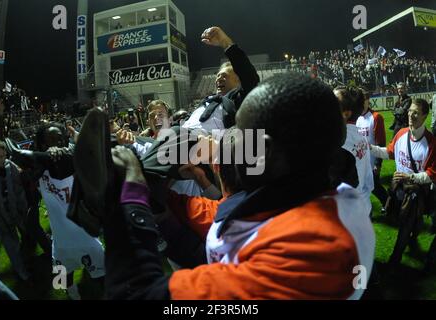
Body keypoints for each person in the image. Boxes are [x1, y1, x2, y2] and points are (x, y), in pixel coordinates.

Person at [102, 73, 375, 300]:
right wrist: (159, 198)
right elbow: (228, 216)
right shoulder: (317, 190)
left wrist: (128, 202)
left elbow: (137, 295)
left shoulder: (313, 252)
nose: (230, 142)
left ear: (263, 151)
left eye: (241, 133)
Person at [9, 123, 106, 299]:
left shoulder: (76, 160)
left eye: (60, 140)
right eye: (50, 141)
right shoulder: (40, 170)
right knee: (62, 282)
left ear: (66, 141)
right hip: (60, 243)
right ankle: (73, 294)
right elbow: (17, 159)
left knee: (103, 280)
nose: (55, 145)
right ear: (42, 145)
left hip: (87, 238)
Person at [370, 99, 436, 265]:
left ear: (425, 116)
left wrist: (410, 177)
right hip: (398, 189)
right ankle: (414, 233)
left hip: (417, 193)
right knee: (405, 221)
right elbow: (389, 152)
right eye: (410, 111)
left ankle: (395, 258)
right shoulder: (401, 134)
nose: (411, 115)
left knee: (405, 225)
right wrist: (369, 148)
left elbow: (431, 175)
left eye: (416, 112)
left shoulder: (431, 142)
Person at [181, 26, 259, 135]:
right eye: (217, 76)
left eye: (224, 76)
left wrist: (225, 42)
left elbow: (248, 75)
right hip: (179, 138)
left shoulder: (239, 100)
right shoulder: (207, 101)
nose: (219, 79)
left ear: (238, 80)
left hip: (206, 145)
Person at [0, 140, 30, 281]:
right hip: (2, 216)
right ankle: (22, 272)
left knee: (26, 236)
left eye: (5, 155)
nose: (4, 158)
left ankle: (28, 261)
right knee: (12, 246)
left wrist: (23, 207)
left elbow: (19, 188)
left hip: (16, 211)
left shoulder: (10, 165)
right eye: (0, 156)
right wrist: (0, 223)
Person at [334, 86, 374, 215]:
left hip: (347, 214)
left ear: (346, 114)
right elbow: (369, 181)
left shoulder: (341, 143)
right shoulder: (361, 137)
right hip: (362, 207)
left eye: (334, 102)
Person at [356, 88, 388, 210]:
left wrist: (378, 163)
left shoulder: (375, 117)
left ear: (368, 101)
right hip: (360, 161)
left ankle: (389, 204)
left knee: (374, 186)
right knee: (365, 187)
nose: (360, 103)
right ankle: (387, 205)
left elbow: (381, 142)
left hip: (372, 161)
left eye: (363, 100)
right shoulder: (356, 118)